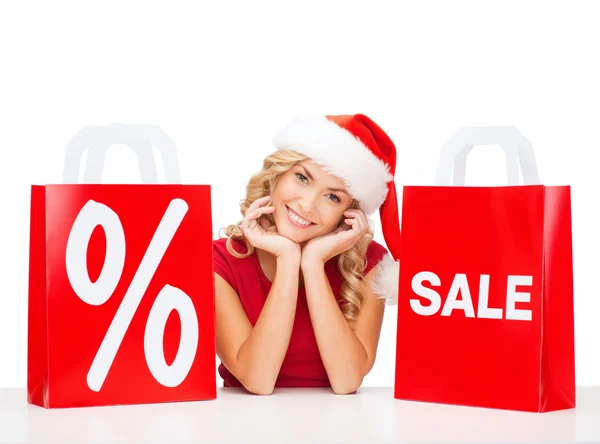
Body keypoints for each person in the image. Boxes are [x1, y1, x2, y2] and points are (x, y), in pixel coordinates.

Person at [213, 114, 401, 395]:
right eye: (302, 178)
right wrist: (288, 258)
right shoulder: (223, 260)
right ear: (278, 175)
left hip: (339, 427)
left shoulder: (370, 263)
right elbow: (258, 380)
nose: (307, 205)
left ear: (349, 213)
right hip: (246, 424)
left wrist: (313, 263)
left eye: (333, 197)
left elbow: (347, 380)